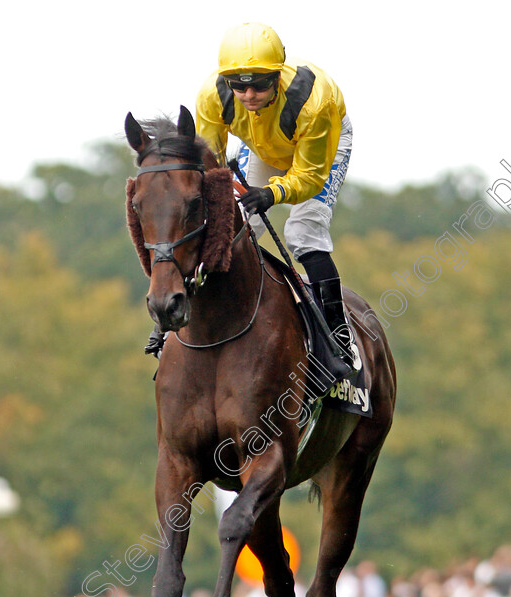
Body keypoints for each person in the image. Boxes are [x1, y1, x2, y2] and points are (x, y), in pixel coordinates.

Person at [146, 22, 360, 374]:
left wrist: (272, 193)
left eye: (259, 83)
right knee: (231, 229)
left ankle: (338, 339)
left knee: (303, 234)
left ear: (277, 75)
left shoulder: (313, 103)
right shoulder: (213, 96)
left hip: (320, 147)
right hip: (263, 146)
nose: (248, 93)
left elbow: (308, 177)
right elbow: (209, 168)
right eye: (238, 84)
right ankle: (176, 321)